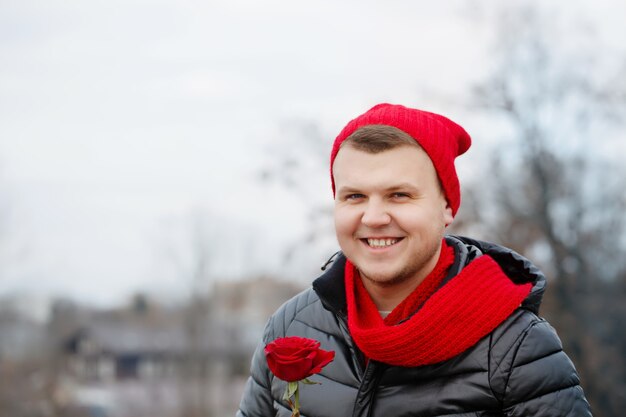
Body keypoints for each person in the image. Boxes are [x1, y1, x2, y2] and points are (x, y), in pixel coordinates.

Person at [237, 103, 592, 416]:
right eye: (355, 196)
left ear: (447, 207)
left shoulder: (518, 348)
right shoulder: (290, 326)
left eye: (399, 195)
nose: (373, 217)